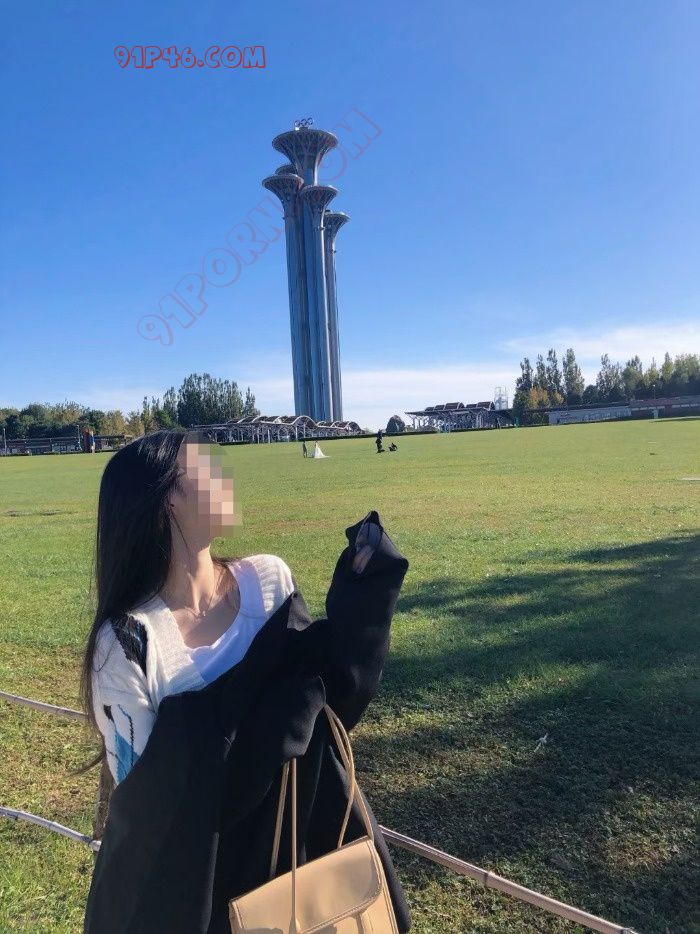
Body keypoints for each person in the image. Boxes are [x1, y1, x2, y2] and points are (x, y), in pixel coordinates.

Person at [78, 428, 373, 788]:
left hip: (301, 819)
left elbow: (322, 701)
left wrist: (365, 597)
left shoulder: (269, 580)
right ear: (168, 499)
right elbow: (142, 798)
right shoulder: (126, 644)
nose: (225, 478)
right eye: (206, 468)